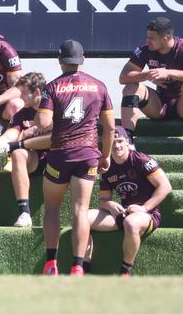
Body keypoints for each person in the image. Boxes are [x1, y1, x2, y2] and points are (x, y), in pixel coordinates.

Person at [36, 40, 115, 276]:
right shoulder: (99, 86)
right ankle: (78, 266)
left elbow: (42, 124)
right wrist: (106, 155)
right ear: (82, 59)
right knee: (80, 210)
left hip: (60, 153)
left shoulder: (51, 88)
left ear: (60, 60)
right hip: (88, 154)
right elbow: (110, 127)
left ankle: (51, 263)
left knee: (51, 208)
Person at [84, 126, 171, 277]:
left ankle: (126, 270)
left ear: (127, 142)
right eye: (112, 142)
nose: (116, 146)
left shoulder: (140, 160)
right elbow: (103, 200)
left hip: (148, 214)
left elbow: (165, 186)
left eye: (119, 141)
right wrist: (109, 205)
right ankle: (83, 266)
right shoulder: (106, 167)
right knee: (82, 218)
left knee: (131, 223)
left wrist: (144, 208)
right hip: (124, 213)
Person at [0, 72, 51, 227]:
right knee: (18, 153)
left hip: (56, 161)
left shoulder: (54, 107)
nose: (21, 97)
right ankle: (25, 213)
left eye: (24, 93)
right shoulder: (22, 112)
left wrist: (31, 134)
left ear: (37, 92)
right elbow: (9, 136)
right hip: (34, 161)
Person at [120, 17, 183, 140]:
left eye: (152, 38)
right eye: (147, 37)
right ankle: (127, 138)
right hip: (160, 105)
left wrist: (169, 73)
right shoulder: (145, 49)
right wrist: (147, 75)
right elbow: (123, 77)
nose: (148, 41)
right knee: (131, 88)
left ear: (166, 38)